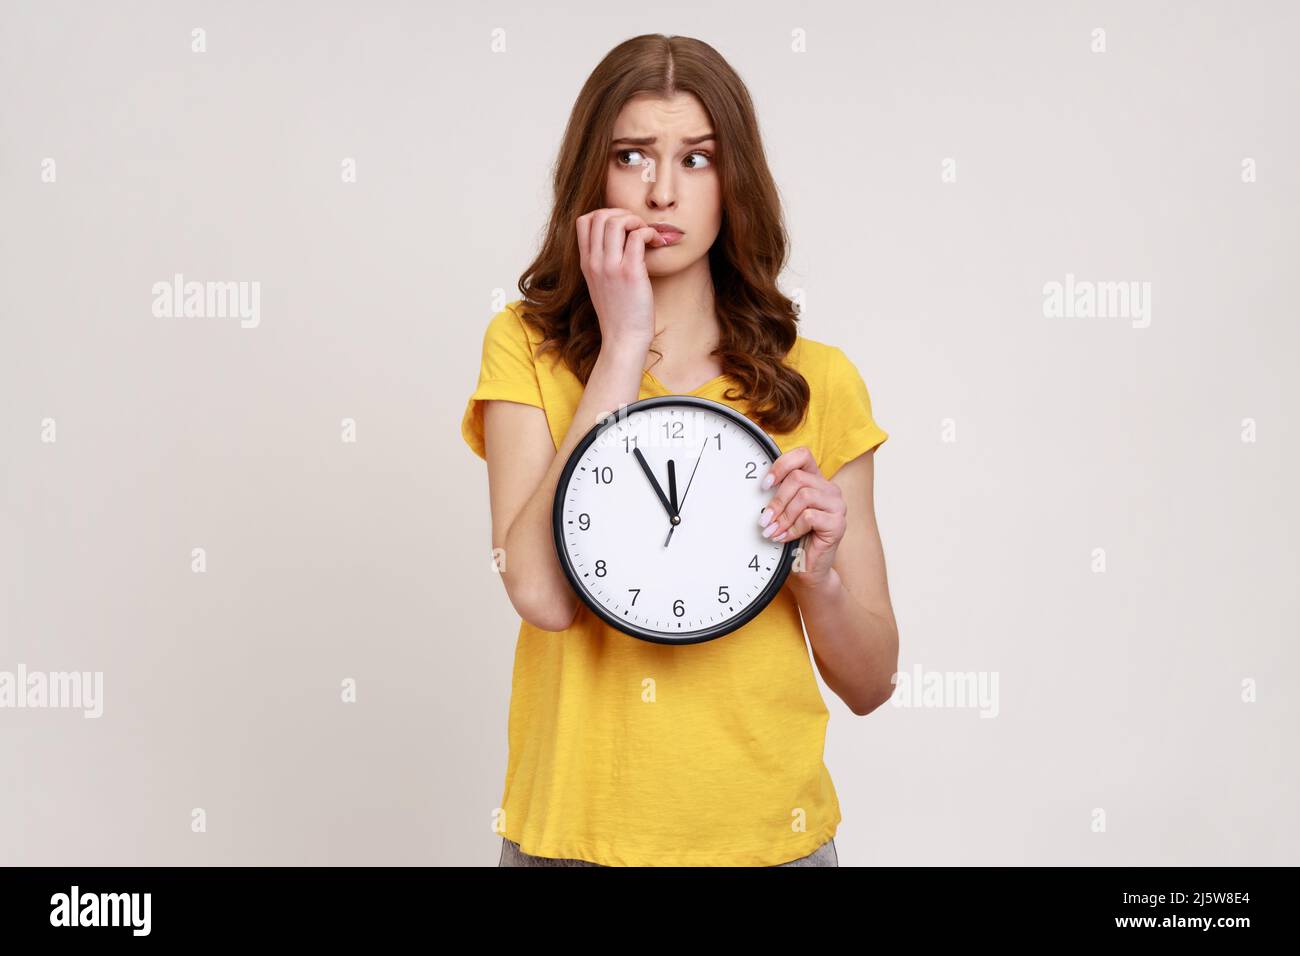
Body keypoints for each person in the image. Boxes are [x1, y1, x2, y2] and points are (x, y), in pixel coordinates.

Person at [461, 34, 898, 867]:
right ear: (595, 172)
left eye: (698, 159)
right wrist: (623, 347)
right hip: (576, 840)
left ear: (736, 184)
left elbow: (873, 682)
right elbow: (542, 595)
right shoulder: (527, 350)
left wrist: (820, 575)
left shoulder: (820, 381)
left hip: (770, 841)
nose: (663, 192)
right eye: (633, 156)